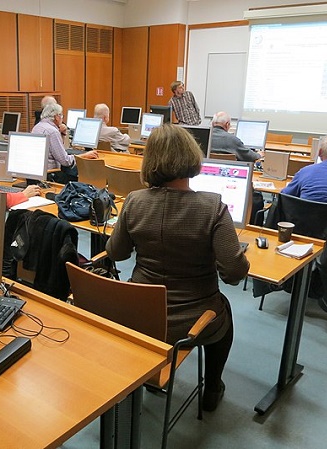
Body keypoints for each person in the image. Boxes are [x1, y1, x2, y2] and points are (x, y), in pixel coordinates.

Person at [105, 124, 250, 412]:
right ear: (191, 158)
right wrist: (235, 254)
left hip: (140, 314)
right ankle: (212, 388)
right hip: (191, 323)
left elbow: (116, 253)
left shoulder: (134, 202)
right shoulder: (213, 207)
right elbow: (234, 273)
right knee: (224, 310)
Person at [31, 103, 97, 184]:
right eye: (61, 115)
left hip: (37, 173)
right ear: (56, 116)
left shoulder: (38, 126)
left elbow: (57, 149)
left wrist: (63, 133)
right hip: (50, 175)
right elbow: (65, 161)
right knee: (80, 181)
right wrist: (83, 156)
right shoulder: (52, 131)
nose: (62, 118)